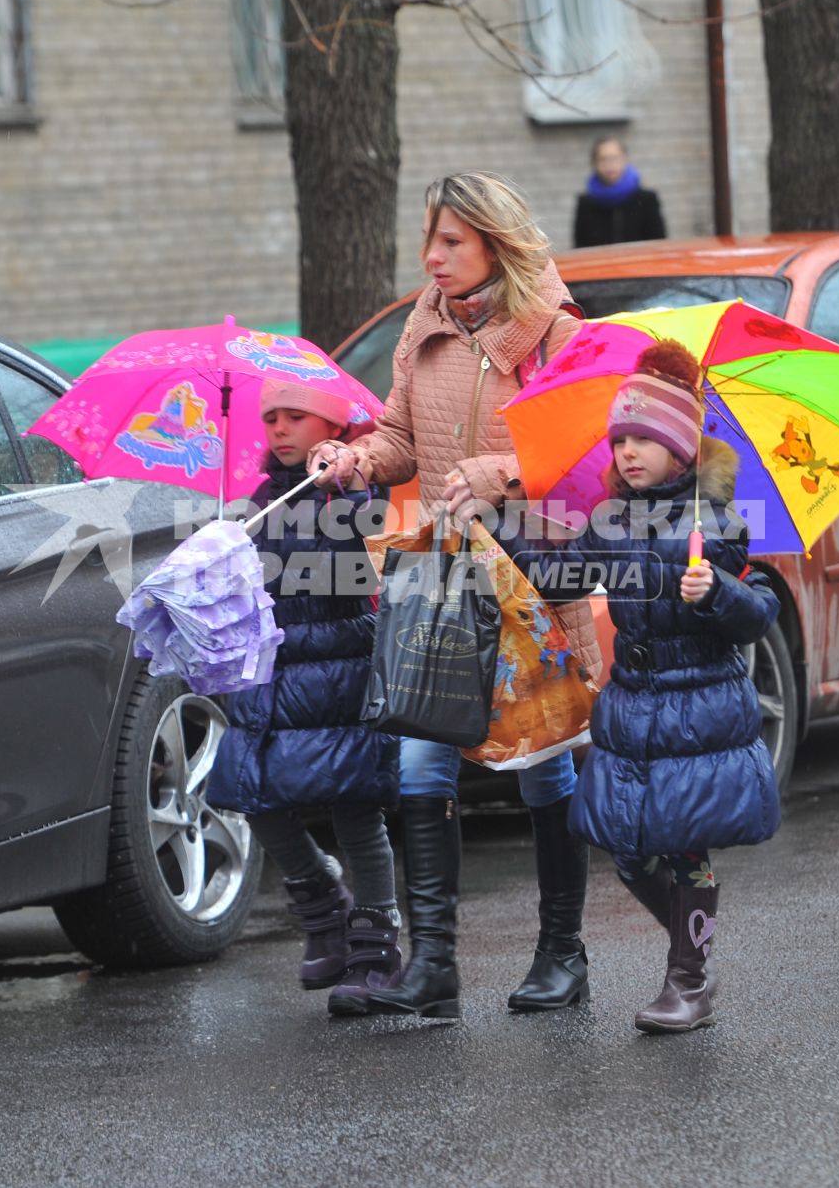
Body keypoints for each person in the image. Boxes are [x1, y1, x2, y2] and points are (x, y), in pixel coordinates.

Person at [311, 171, 599, 1018]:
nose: (431, 256)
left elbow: (587, 451)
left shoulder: (557, 330)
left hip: (530, 579)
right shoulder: (425, 322)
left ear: (494, 245)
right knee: (420, 757)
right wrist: (358, 457)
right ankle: (433, 965)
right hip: (443, 580)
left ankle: (563, 953)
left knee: (543, 772)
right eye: (429, 239)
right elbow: (402, 434)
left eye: (450, 242)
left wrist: (502, 473)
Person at [493, 340, 781, 1033]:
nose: (625, 452)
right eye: (619, 438)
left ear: (681, 448)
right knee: (627, 850)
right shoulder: (610, 520)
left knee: (687, 849)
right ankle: (694, 947)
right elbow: (560, 576)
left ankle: (689, 979)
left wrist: (715, 593)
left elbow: (761, 607)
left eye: (643, 439)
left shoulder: (717, 521)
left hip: (699, 710)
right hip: (632, 709)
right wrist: (499, 518)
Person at [207, 383, 402, 1016]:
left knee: (356, 808)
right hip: (270, 674)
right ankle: (322, 903)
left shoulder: (353, 491)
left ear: (334, 426)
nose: (281, 429)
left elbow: (362, 567)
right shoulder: (260, 499)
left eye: (297, 416)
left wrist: (343, 492)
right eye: (271, 418)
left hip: (340, 668)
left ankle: (375, 944)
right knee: (249, 791)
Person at [573, 136, 667, 249]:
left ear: (624, 159)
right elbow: (581, 247)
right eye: (602, 159)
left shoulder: (646, 199)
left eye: (614, 158)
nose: (609, 164)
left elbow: (659, 243)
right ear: (594, 163)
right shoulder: (586, 203)